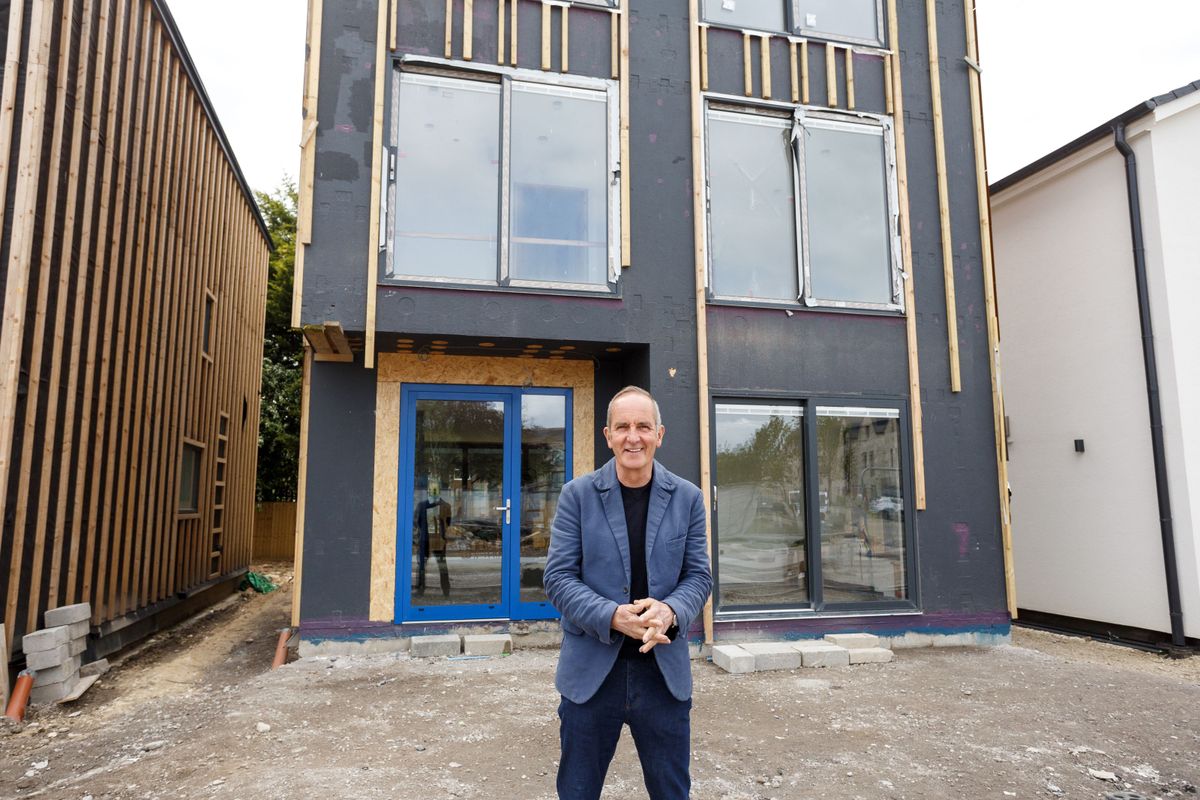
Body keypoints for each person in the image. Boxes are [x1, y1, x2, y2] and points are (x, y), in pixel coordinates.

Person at [543, 385, 712, 799]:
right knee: (578, 791)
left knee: (672, 791)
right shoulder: (577, 496)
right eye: (623, 427)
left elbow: (700, 577)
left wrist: (670, 610)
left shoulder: (688, 498)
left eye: (642, 426)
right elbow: (558, 577)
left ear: (660, 434)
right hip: (591, 674)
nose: (632, 436)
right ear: (607, 435)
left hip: (662, 672)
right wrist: (611, 615)